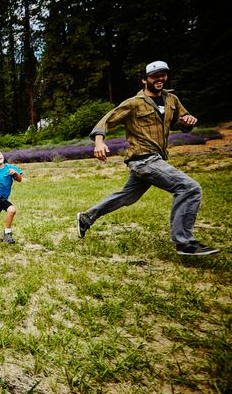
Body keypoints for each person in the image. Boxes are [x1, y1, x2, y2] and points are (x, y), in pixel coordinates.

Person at [76, 60, 219, 256]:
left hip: (157, 159)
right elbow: (107, 120)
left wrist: (188, 122)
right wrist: (99, 142)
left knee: (127, 196)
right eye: (155, 76)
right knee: (189, 187)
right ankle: (184, 242)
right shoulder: (134, 103)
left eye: (163, 75)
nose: (160, 79)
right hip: (142, 160)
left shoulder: (172, 100)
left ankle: (86, 217)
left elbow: (182, 122)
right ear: (145, 80)